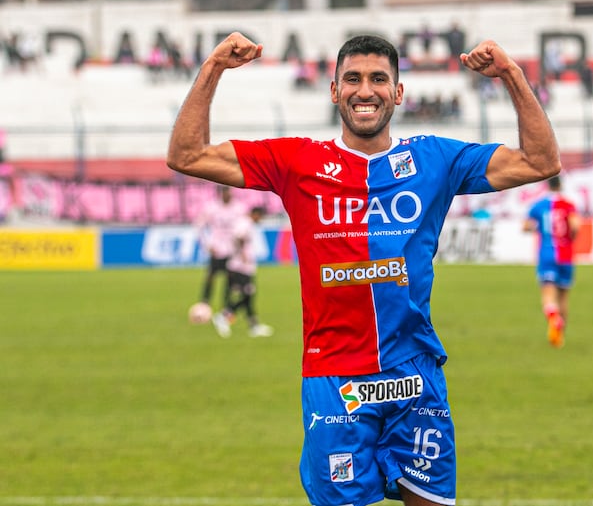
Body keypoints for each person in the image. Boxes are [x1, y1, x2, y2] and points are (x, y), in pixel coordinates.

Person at [167, 32, 560, 506]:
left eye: (378, 79)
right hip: (334, 382)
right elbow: (186, 155)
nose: (365, 90)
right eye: (352, 79)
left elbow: (540, 161)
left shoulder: (434, 159)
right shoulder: (297, 161)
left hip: (414, 375)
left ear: (398, 92)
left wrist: (511, 77)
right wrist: (213, 67)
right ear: (334, 90)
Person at [523, 175, 580, 349]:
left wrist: (540, 228)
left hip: (547, 253)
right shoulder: (568, 205)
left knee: (548, 294)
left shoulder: (539, 205)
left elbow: (526, 226)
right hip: (566, 255)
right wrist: (569, 239)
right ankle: (560, 337)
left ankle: (553, 318)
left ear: (547, 185)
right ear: (561, 185)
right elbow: (575, 227)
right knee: (563, 295)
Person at [212, 206, 274, 338]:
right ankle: (225, 315)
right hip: (240, 267)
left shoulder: (245, 222)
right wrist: (242, 254)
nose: (260, 219)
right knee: (248, 293)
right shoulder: (245, 223)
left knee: (249, 296)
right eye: (260, 216)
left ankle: (254, 326)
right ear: (255, 214)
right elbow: (238, 237)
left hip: (243, 266)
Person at [194, 185, 247, 310]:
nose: (227, 195)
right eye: (225, 192)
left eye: (229, 192)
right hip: (217, 248)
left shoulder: (239, 208)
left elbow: (244, 227)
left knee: (230, 277)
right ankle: (205, 302)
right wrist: (207, 245)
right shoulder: (211, 208)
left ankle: (226, 304)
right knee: (211, 275)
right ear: (220, 193)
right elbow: (199, 226)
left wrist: (241, 248)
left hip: (232, 249)